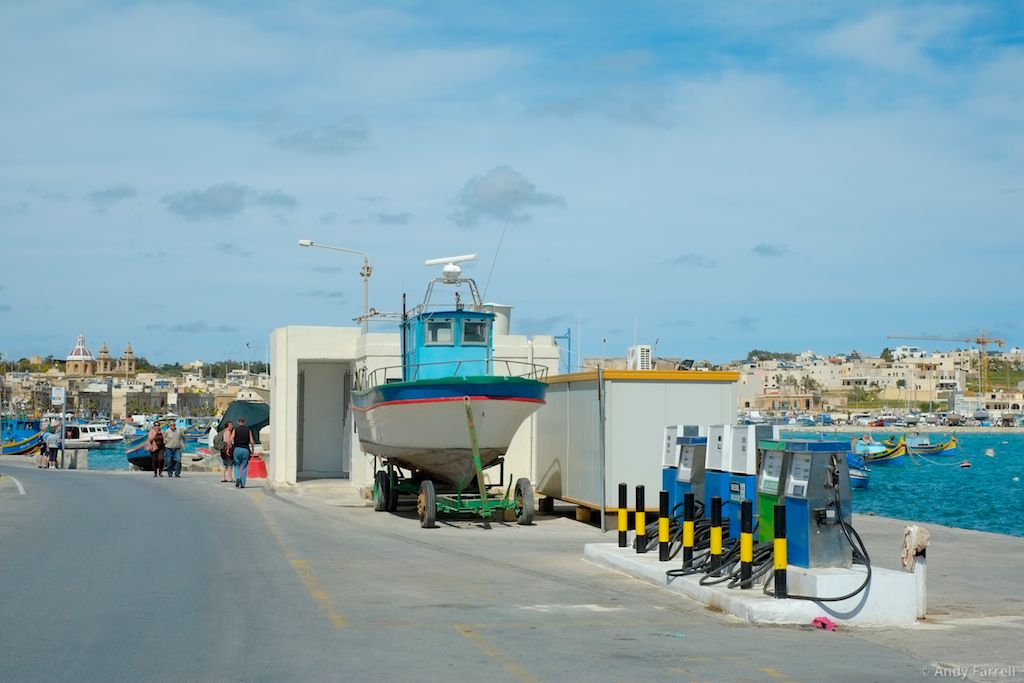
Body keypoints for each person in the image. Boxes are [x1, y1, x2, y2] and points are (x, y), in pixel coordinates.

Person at [232, 417, 255, 488]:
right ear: (244, 422)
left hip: (237, 449)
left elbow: (231, 439)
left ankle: (238, 477)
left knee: (236, 465)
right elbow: (251, 441)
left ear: (238, 422)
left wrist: (230, 446)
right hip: (245, 449)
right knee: (244, 466)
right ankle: (242, 483)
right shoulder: (248, 430)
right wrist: (253, 450)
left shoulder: (235, 430)